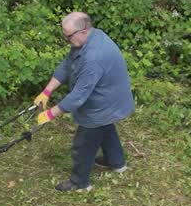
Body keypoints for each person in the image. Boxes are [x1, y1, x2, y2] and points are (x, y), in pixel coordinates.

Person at [34, 12, 135, 192]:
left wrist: (50, 114)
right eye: (64, 35)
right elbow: (67, 64)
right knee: (106, 128)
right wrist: (46, 91)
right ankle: (116, 163)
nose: (66, 40)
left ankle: (80, 183)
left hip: (105, 103)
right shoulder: (86, 39)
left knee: (83, 144)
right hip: (106, 98)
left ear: (83, 30)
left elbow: (78, 96)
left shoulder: (94, 57)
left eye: (68, 36)